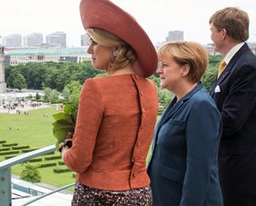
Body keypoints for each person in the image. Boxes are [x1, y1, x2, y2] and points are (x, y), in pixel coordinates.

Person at [59, 0, 159, 205]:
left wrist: (65, 151)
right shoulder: (150, 88)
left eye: (94, 42)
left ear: (115, 49)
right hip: (140, 194)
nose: (89, 50)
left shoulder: (96, 88)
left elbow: (79, 160)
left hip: (100, 194)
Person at [209, 7, 256, 206]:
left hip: (241, 169)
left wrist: (196, 125)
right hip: (232, 166)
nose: (210, 36)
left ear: (223, 33)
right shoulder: (235, 63)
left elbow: (231, 120)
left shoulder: (246, 67)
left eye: (212, 30)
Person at [147, 41, 223, 206]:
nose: (159, 70)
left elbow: (199, 170)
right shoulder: (178, 101)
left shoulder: (201, 106)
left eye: (165, 65)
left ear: (185, 69)